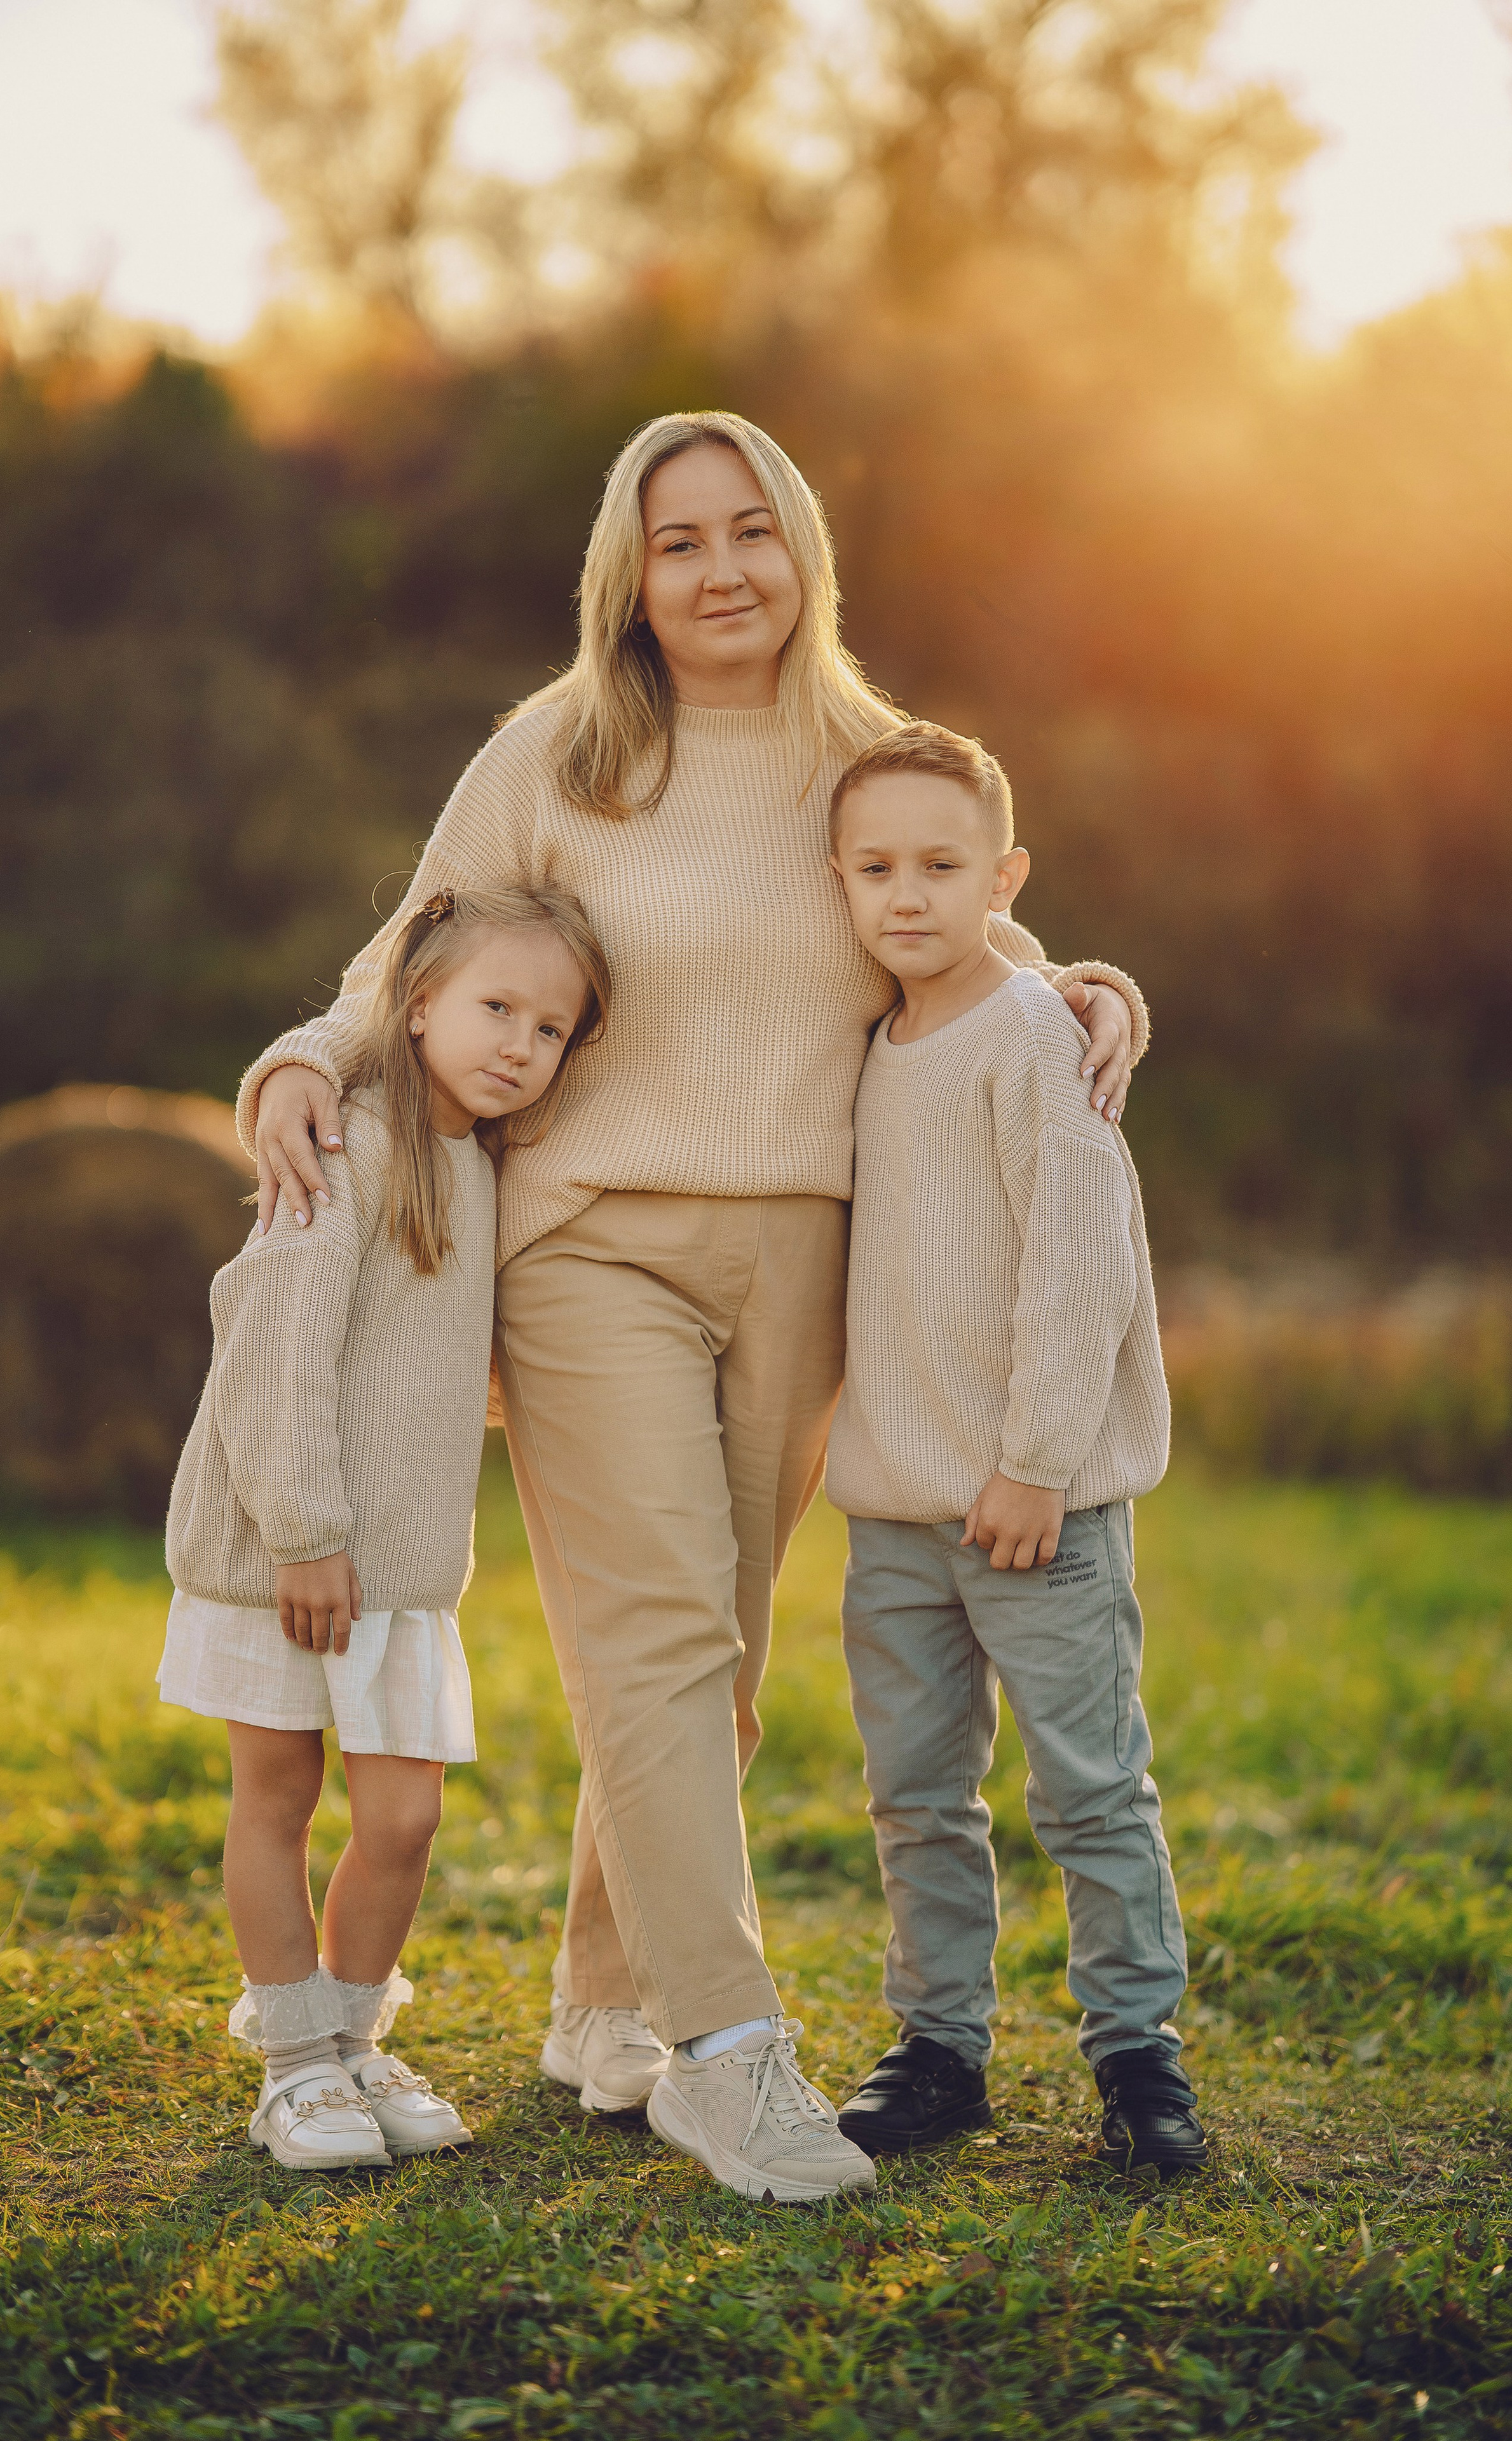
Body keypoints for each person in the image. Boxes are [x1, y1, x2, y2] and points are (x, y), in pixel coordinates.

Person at [237, 411, 1149, 2203]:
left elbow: (958, 933)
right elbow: (407, 955)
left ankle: (604, 2009)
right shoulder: (555, 751)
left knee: (711, 1677)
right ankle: (729, 2054)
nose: (722, 569)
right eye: (680, 542)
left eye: (753, 531)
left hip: (811, 1254)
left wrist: (1091, 986)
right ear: (628, 575)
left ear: (805, 548)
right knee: (650, 1645)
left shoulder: (868, 755)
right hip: (590, 1248)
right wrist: (302, 1054)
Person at [161, 886, 610, 2172]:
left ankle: (352, 2039)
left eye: (550, 1027)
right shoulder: (341, 1145)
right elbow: (273, 1348)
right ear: (415, 1008)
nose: (519, 1043)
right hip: (284, 1554)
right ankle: (295, 2068)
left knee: (403, 1818)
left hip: (402, 1572)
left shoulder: (483, 1166)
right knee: (279, 1793)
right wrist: (302, 1532)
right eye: (494, 1008)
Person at [822, 721, 1206, 2178]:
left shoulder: (1032, 1031)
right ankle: (937, 2049)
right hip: (895, 1514)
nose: (905, 894)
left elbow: (1081, 1255)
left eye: (939, 864)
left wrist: (1037, 1459)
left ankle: (1135, 2056)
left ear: (1004, 873)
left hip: (1034, 1505)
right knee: (916, 1795)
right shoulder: (872, 1041)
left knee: (1087, 1788)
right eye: (874, 868)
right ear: (840, 886)